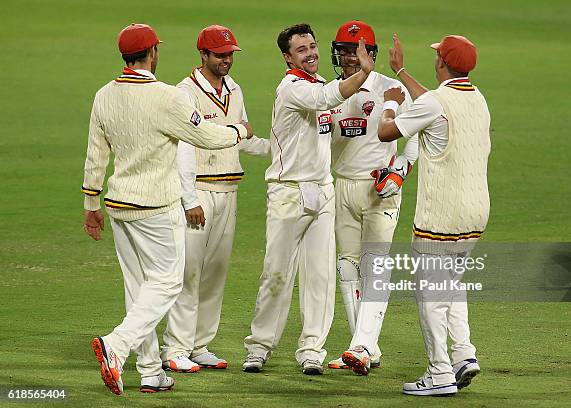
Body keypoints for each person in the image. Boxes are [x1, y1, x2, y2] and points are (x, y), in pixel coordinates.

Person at [83, 23, 251, 395]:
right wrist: (238, 132)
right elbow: (205, 136)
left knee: (138, 288)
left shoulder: (103, 95)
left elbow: (96, 155)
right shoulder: (168, 97)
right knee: (168, 283)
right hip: (157, 207)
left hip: (117, 204)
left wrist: (90, 203)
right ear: (153, 53)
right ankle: (117, 344)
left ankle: (149, 372)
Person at [242, 23, 374, 375]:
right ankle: (259, 347)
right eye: (302, 50)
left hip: (323, 190)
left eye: (313, 46)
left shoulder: (316, 85)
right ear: (287, 57)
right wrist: (363, 72)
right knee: (276, 274)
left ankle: (312, 349)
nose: (312, 53)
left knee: (320, 276)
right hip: (288, 192)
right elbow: (326, 99)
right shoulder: (292, 87)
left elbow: (308, 136)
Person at [378, 34, 490, 396]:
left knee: (430, 294)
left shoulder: (434, 103)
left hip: (442, 215)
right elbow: (434, 102)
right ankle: (463, 354)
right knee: (453, 284)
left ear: (441, 62)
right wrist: (402, 71)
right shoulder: (476, 98)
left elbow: (386, 133)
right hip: (476, 213)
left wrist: (390, 103)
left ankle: (440, 372)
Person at [161, 25, 270, 373]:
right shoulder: (184, 92)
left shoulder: (234, 89)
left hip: (229, 192)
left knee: (215, 273)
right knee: (189, 272)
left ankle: (199, 344)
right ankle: (175, 348)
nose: (226, 60)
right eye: (220, 55)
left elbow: (242, 136)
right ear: (203, 55)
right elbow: (183, 148)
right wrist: (189, 198)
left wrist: (280, 151)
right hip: (199, 194)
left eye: (230, 54)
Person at [324, 20, 418, 375]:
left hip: (379, 187)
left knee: (375, 264)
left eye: (357, 50)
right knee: (348, 265)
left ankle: (361, 345)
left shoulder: (391, 89)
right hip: (342, 185)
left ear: (372, 54)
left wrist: (402, 170)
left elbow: (418, 133)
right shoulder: (330, 93)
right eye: (344, 50)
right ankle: (363, 348)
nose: (349, 57)